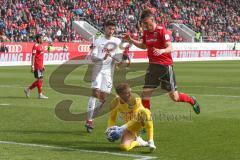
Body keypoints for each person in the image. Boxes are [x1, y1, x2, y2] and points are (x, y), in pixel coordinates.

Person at [124, 9, 200, 114]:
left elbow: (170, 47)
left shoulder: (162, 31)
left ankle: (192, 100)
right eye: (143, 23)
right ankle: (146, 123)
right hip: (152, 67)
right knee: (145, 95)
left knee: (174, 97)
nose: (145, 25)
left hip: (165, 67)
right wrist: (131, 40)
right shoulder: (146, 33)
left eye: (146, 23)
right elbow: (143, 46)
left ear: (152, 20)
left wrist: (162, 50)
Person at [85, 20, 124, 133]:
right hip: (98, 69)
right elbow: (92, 57)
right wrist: (102, 58)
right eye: (109, 28)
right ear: (105, 28)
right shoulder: (98, 41)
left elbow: (119, 56)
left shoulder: (117, 41)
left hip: (108, 72)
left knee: (103, 99)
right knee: (94, 93)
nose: (111, 31)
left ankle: (91, 116)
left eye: (113, 29)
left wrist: (119, 62)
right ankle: (89, 120)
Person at [106, 83, 156, 152]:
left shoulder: (135, 99)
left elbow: (136, 118)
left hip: (141, 123)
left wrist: (122, 128)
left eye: (130, 92)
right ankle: (139, 142)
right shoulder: (115, 102)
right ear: (120, 95)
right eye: (127, 93)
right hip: (131, 128)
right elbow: (112, 118)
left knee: (146, 111)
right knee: (124, 147)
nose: (130, 94)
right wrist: (109, 129)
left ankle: (151, 141)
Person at [24, 34, 48, 99]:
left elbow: (41, 56)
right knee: (40, 80)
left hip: (40, 65)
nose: (43, 39)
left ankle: (28, 90)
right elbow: (33, 56)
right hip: (37, 65)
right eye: (42, 38)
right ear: (38, 39)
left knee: (40, 80)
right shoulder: (35, 46)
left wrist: (43, 65)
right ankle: (38, 94)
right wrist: (32, 66)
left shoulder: (41, 46)